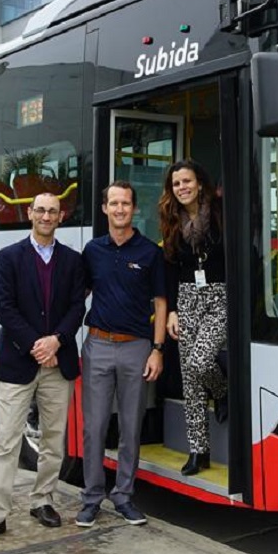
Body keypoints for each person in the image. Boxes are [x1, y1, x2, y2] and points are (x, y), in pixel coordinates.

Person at [0, 193, 86, 548]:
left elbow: (77, 307)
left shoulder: (73, 261)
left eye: (53, 211)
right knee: (6, 442)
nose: (46, 216)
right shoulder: (9, 257)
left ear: (60, 217)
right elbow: (4, 309)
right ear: (30, 213)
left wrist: (57, 342)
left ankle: (43, 501)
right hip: (19, 360)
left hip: (57, 361)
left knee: (53, 440)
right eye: (40, 210)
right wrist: (38, 345)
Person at [77, 181, 167, 527]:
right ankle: (91, 498)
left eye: (125, 204)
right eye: (113, 203)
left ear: (134, 209)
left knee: (131, 427)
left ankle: (124, 496)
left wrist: (157, 350)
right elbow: (79, 293)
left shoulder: (149, 252)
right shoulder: (92, 251)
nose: (119, 209)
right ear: (104, 209)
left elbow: (161, 303)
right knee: (94, 427)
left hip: (136, 348)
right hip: (98, 345)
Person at [158, 159, 227, 476]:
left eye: (187, 181)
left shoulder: (220, 211)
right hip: (187, 298)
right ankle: (198, 451)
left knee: (200, 362)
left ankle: (223, 391)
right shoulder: (171, 219)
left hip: (220, 296)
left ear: (199, 183)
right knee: (190, 380)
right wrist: (172, 309)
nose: (182, 188)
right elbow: (171, 267)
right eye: (176, 184)